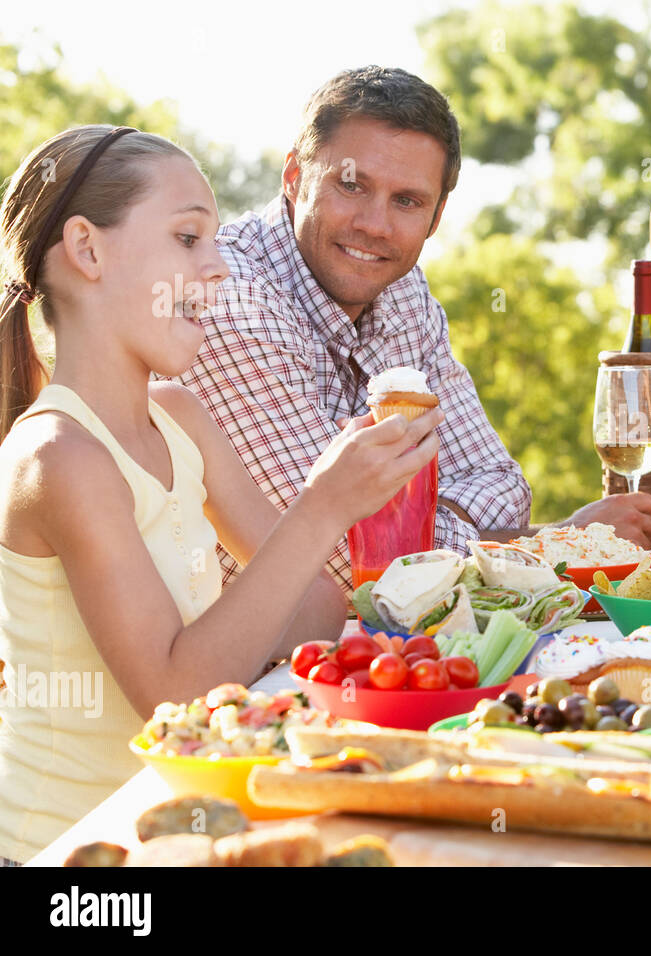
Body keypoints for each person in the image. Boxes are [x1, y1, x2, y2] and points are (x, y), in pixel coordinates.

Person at [0, 126, 439, 862]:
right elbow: (174, 697)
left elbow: (313, 614)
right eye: (187, 239)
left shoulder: (177, 418)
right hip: (66, 854)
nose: (218, 268)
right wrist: (326, 504)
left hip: (174, 833)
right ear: (87, 250)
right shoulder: (60, 457)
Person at [173, 66, 651, 593]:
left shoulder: (402, 290)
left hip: (370, 649)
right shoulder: (227, 293)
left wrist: (404, 520)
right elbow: (339, 560)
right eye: (352, 185)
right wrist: (549, 545)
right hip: (245, 667)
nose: (376, 226)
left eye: (407, 201)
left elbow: (500, 484)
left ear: (436, 215)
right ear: (295, 177)